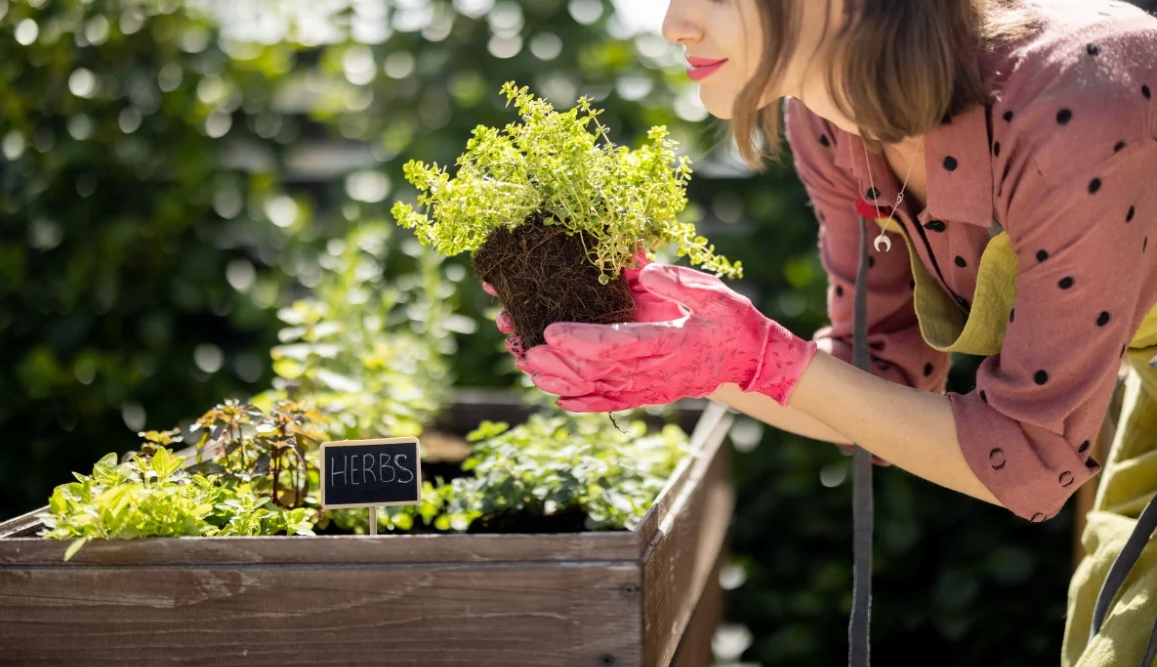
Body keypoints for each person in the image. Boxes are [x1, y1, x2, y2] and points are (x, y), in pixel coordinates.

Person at [486, 0, 1157, 663]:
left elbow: (1029, 459)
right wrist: (683, 351)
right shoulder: (826, 122)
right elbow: (875, 382)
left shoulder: (1079, 105)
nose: (673, 25)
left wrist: (760, 359)